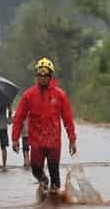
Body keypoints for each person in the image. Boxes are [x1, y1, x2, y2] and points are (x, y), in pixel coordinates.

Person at [12, 57, 77, 193]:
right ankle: (43, 181)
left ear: (50, 76)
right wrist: (15, 139)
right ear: (36, 76)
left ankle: (55, 205)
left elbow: (68, 120)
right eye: (39, 75)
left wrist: (72, 140)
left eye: (45, 75)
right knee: (35, 169)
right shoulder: (28, 95)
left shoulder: (60, 95)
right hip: (36, 142)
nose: (42, 78)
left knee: (55, 175)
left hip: (53, 142)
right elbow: (19, 118)